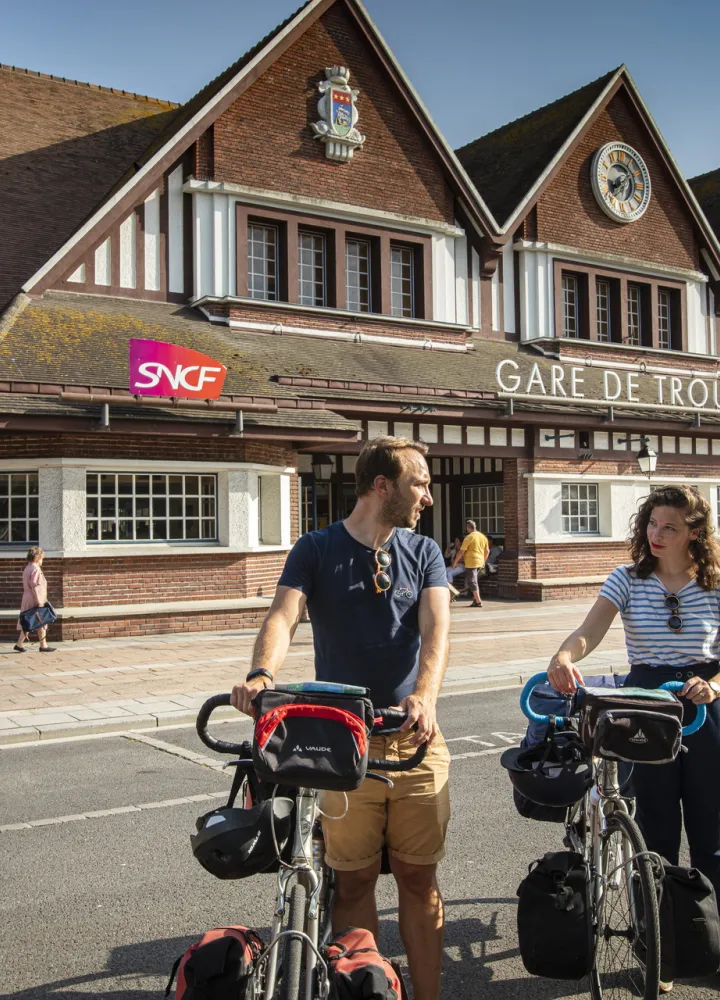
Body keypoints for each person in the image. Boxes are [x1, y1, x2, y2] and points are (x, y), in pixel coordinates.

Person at [231, 436, 451, 1000]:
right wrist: (261, 674)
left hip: (412, 739)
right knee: (353, 883)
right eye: (420, 484)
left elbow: (436, 631)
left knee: (419, 879)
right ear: (382, 486)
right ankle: (364, 991)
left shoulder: (424, 551)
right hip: (342, 744)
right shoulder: (316, 548)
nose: (427, 496)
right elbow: (283, 616)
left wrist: (424, 695)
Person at [547, 485, 720, 926]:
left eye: (670, 528)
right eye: (652, 524)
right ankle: (655, 939)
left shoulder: (715, 582)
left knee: (712, 830)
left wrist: (715, 685)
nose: (656, 535)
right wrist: (564, 655)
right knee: (655, 830)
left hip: (706, 705)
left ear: (694, 533)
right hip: (648, 704)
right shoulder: (626, 578)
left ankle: (710, 939)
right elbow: (590, 631)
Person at [15, 545, 56, 653]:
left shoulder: (27, 568)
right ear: (37, 558)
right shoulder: (36, 569)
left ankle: (20, 644)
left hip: (27, 596)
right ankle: (43, 646)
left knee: (28, 620)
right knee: (41, 620)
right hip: (35, 597)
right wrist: (39, 601)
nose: (42, 561)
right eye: (42, 558)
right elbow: (35, 586)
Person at [452, 520, 489, 607]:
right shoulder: (483, 537)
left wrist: (455, 562)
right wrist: (484, 560)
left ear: (468, 528)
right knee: (474, 581)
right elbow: (487, 551)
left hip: (471, 562)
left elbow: (461, 551)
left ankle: (478, 601)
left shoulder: (468, 537)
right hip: (480, 562)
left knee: (472, 582)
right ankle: (476, 600)